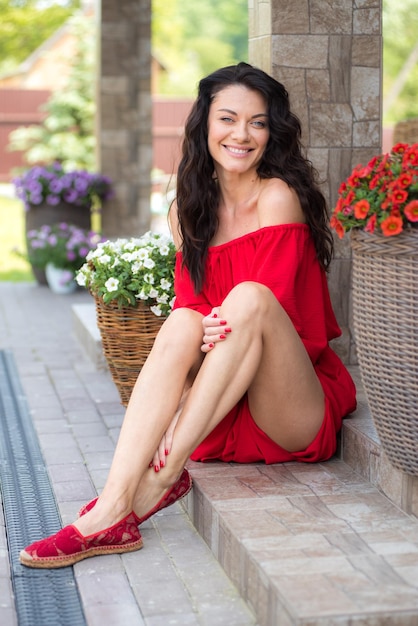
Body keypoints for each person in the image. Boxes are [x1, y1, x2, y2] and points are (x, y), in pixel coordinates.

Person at [20, 62, 356, 568]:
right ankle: (113, 501)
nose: (241, 134)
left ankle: (154, 484)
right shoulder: (187, 209)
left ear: (272, 133)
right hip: (221, 400)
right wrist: (205, 334)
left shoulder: (277, 197)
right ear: (204, 125)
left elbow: (294, 326)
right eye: (228, 118)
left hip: (289, 406)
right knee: (180, 320)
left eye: (258, 122)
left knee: (248, 298)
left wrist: (229, 319)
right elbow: (195, 312)